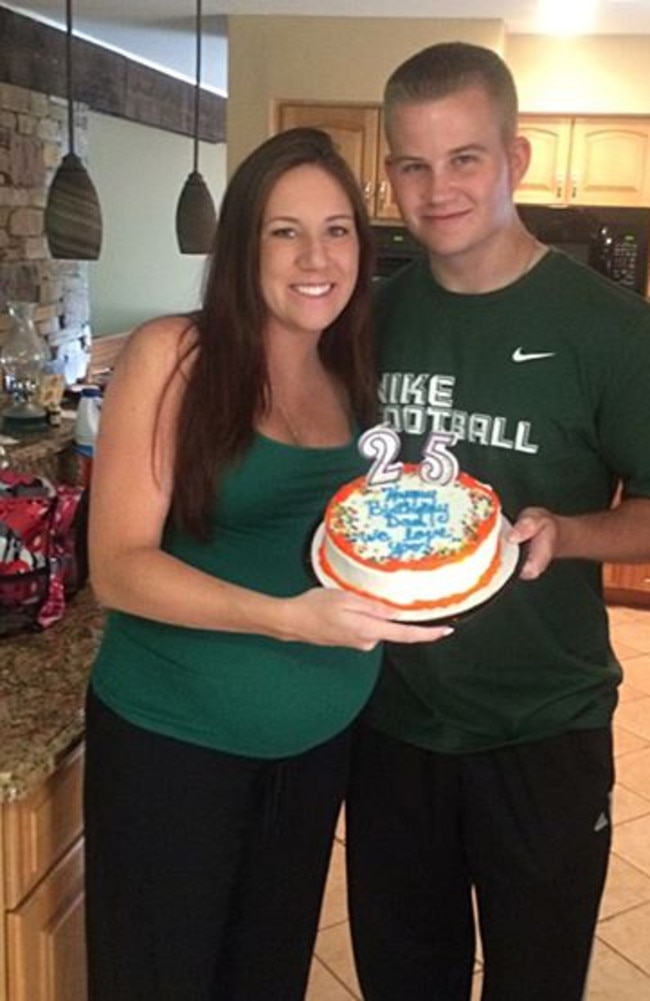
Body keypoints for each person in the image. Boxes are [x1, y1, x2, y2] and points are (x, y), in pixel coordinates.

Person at [83, 127, 448, 1001]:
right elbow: (119, 568)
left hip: (315, 748)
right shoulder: (177, 356)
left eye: (336, 229)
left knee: (266, 977)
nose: (315, 256)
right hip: (175, 743)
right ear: (244, 243)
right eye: (284, 231)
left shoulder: (353, 373)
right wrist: (289, 616)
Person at [345, 42, 650, 1001]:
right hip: (390, 724)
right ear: (388, 170)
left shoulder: (610, 327)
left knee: (537, 981)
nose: (437, 190)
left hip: (543, 729)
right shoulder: (366, 318)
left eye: (465, 157)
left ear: (514, 160)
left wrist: (570, 531)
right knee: (405, 980)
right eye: (413, 163)